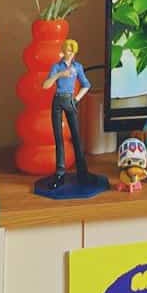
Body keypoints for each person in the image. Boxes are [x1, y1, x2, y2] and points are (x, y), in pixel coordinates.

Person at [42, 38, 91, 189]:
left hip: (70, 100)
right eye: (67, 50)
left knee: (76, 136)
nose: (68, 53)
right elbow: (45, 85)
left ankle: (82, 171)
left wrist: (76, 99)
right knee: (58, 138)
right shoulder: (57, 66)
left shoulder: (78, 67)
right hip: (58, 100)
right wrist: (59, 75)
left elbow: (86, 84)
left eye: (71, 51)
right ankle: (60, 173)